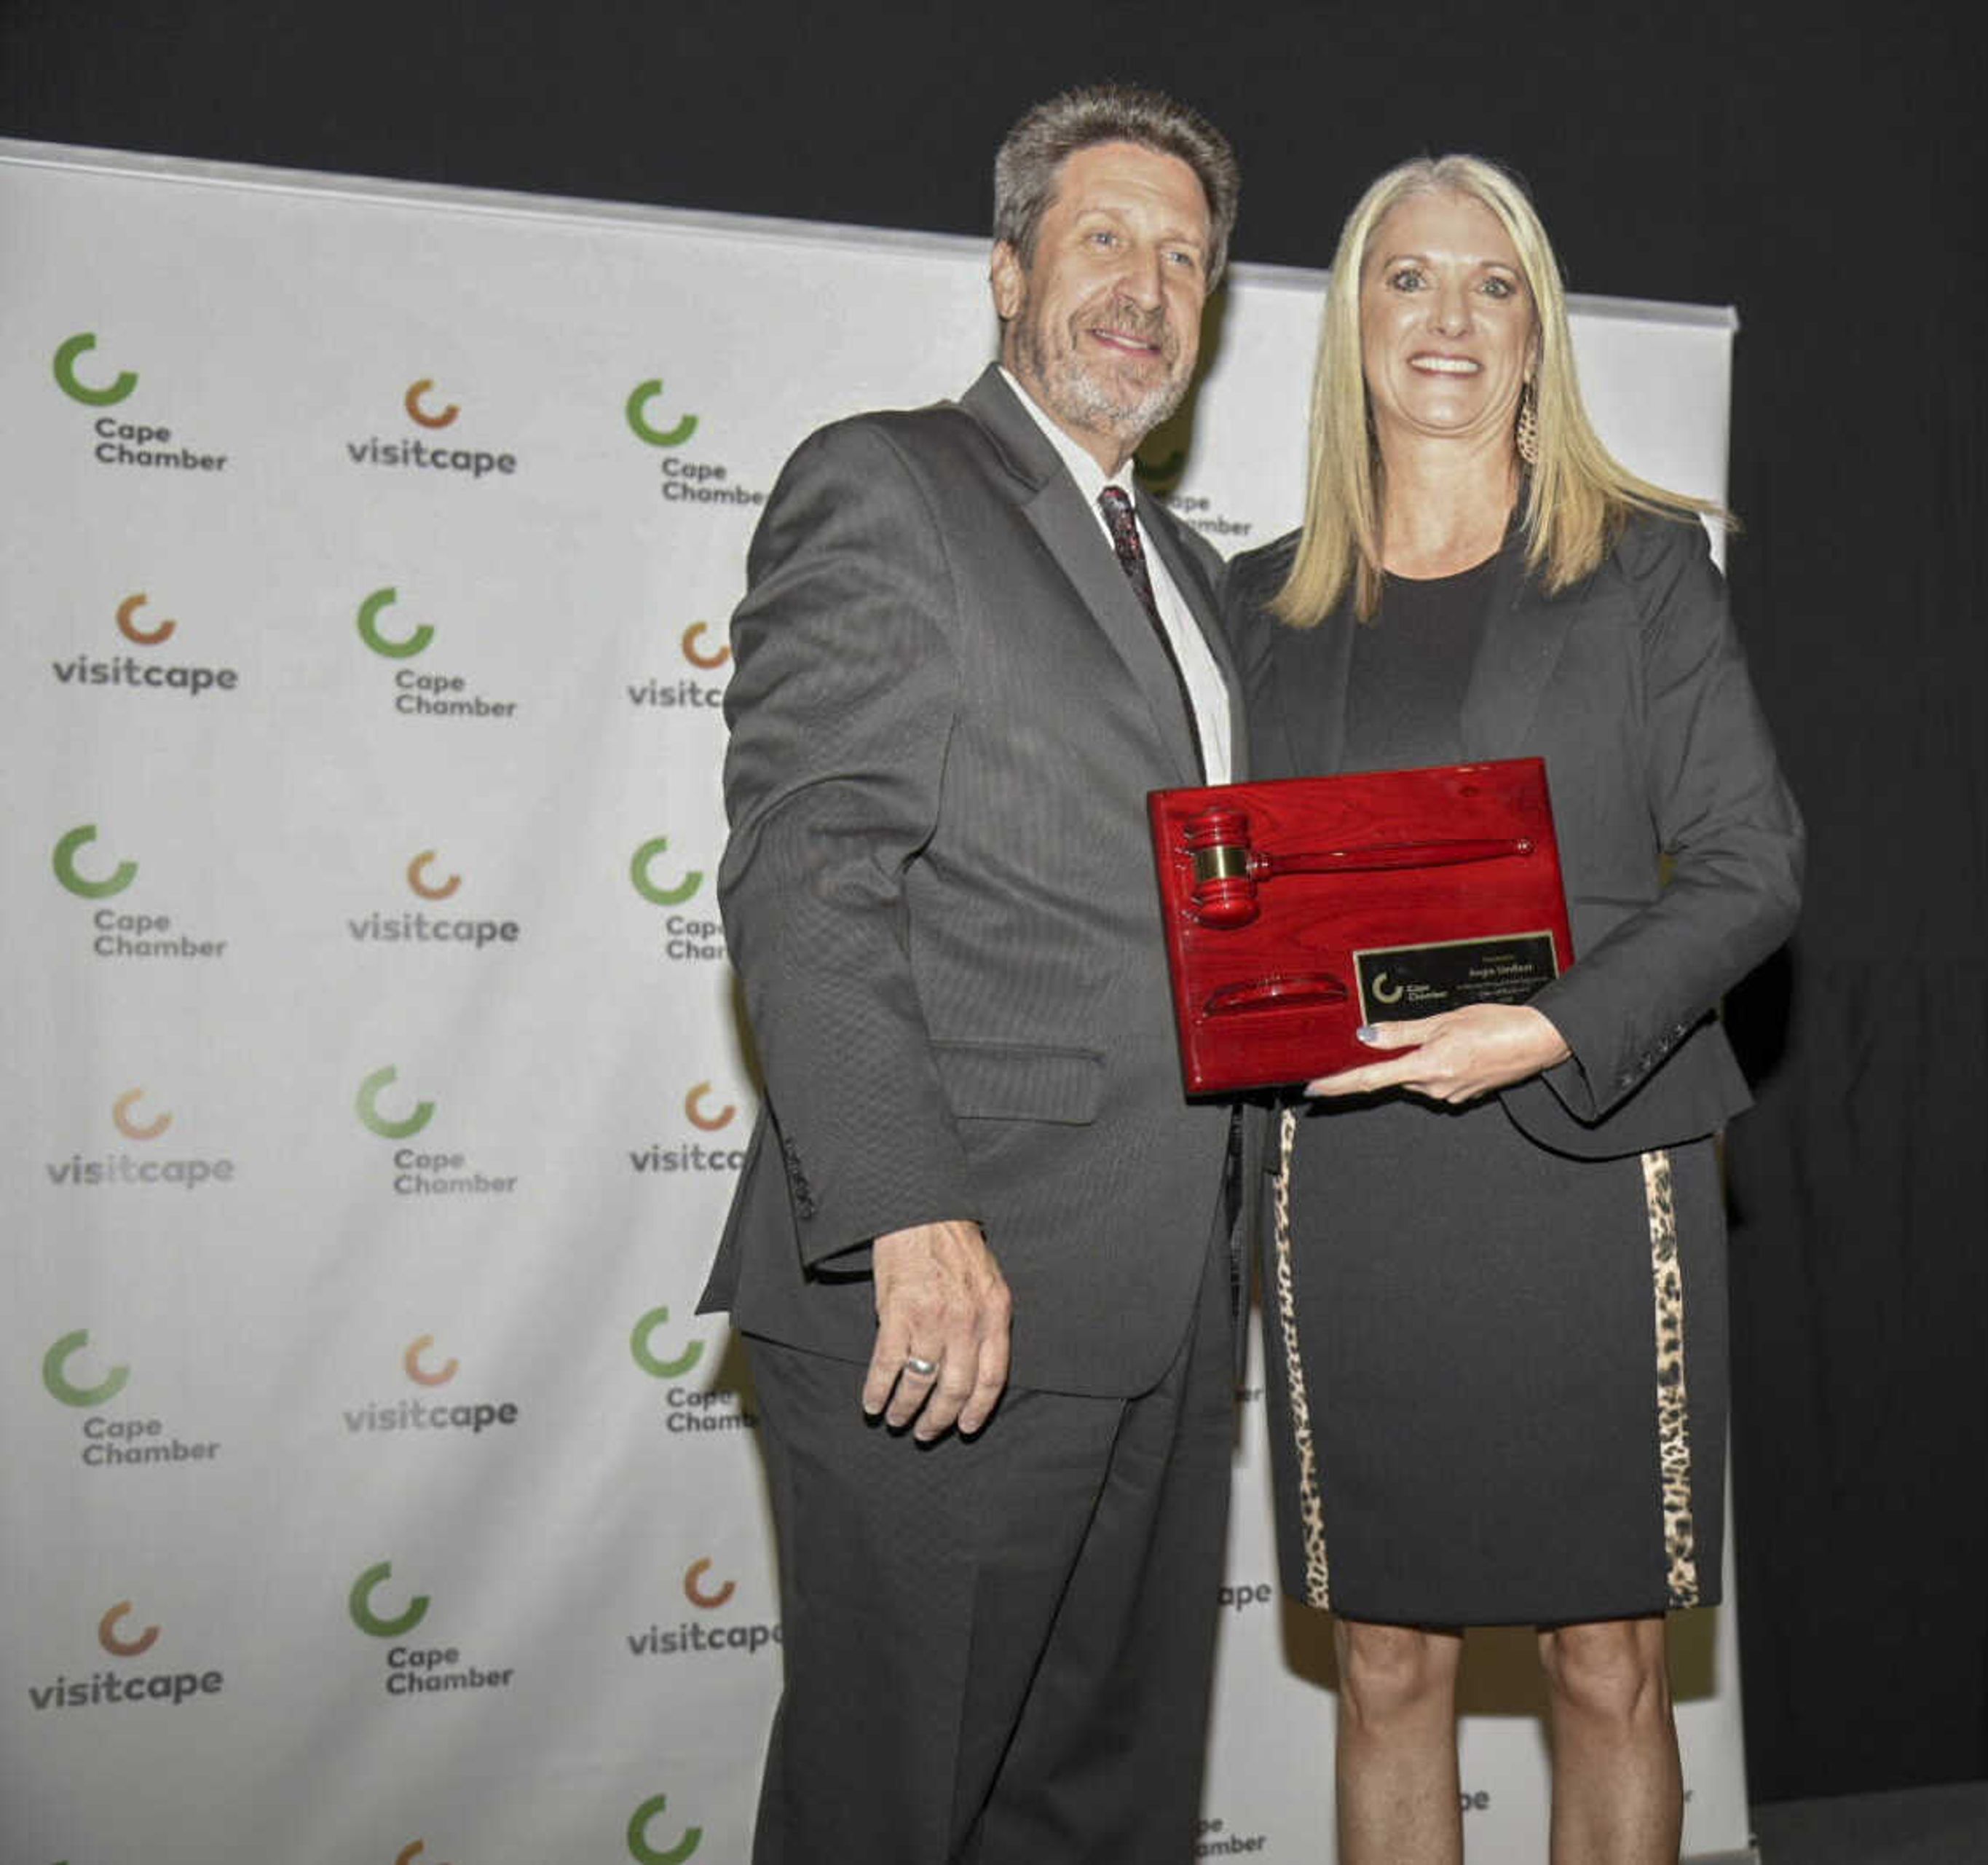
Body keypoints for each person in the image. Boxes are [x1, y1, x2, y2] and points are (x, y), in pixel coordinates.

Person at [1228, 154, 1804, 1865]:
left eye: (1493, 285)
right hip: (1352, 1186)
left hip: (1583, 1167)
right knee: (1387, 1665)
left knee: (1606, 1660)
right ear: (1356, 323)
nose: (1450, 318)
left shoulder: (1642, 570)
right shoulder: (1252, 602)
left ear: (1538, 333)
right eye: (1410, 279)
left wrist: (1542, 1027)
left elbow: (1753, 866)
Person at [701, 84, 1251, 1864]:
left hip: (1165, 1303)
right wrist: (907, 1211)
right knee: (897, 1806)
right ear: (1007, 271)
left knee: (1094, 1805)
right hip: (951, 1299)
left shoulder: (1195, 576)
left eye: (1186, 259)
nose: (1146, 289)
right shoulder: (889, 482)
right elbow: (810, 864)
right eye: (1105, 238)